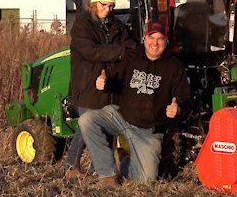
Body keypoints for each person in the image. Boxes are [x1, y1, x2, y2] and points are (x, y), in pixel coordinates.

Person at [78, 20, 191, 187]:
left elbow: (186, 102)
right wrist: (106, 83)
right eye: (151, 38)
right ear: (144, 38)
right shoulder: (132, 57)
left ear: (166, 41)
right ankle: (107, 175)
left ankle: (125, 163)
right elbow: (118, 83)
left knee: (145, 181)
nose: (155, 43)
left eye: (160, 39)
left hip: (148, 132)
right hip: (121, 117)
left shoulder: (175, 67)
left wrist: (178, 109)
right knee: (87, 120)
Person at [66, 0, 134, 179]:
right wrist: (118, 52)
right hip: (86, 84)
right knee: (87, 125)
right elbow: (91, 51)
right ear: (95, 3)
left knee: (107, 126)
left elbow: (130, 47)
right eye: (105, 4)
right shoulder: (81, 25)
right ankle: (72, 166)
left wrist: (122, 53)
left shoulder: (117, 25)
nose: (108, 9)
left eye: (112, 5)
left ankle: (100, 169)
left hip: (110, 83)